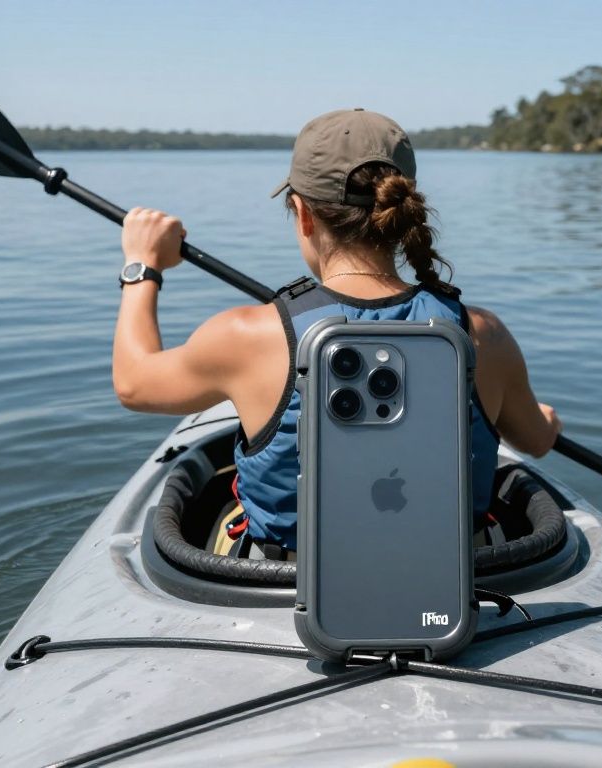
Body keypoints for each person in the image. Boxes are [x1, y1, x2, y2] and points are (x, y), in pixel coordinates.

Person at [112, 108, 561, 557]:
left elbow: (133, 384)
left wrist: (142, 265)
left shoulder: (245, 337)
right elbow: (537, 441)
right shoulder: (484, 334)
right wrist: (541, 414)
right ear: (404, 213)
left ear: (303, 215)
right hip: (451, 582)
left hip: (280, 588)